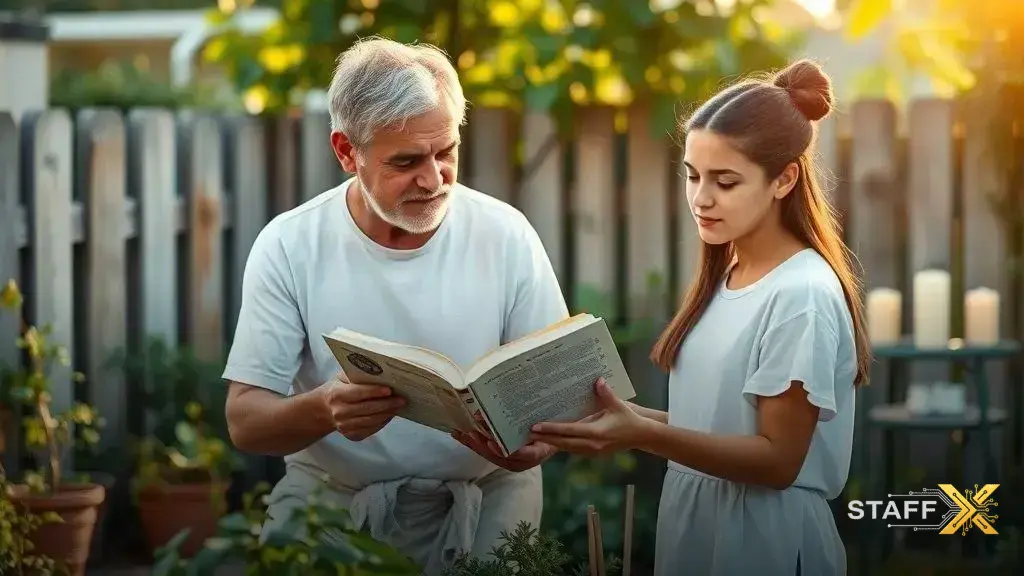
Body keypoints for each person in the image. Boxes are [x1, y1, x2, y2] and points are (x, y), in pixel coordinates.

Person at [221, 36, 567, 575]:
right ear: (345, 151)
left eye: (446, 151)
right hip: (332, 505)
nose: (433, 179)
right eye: (406, 161)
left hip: (489, 500)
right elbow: (245, 423)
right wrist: (323, 409)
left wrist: (532, 448)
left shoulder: (505, 234)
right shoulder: (290, 245)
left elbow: (556, 402)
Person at [529, 59, 870, 575]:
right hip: (698, 528)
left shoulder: (801, 293)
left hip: (762, 542)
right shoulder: (729, 272)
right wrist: (621, 416)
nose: (700, 199)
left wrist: (641, 435)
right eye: (692, 176)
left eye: (725, 181)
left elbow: (777, 462)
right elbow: (721, 426)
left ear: (784, 180)